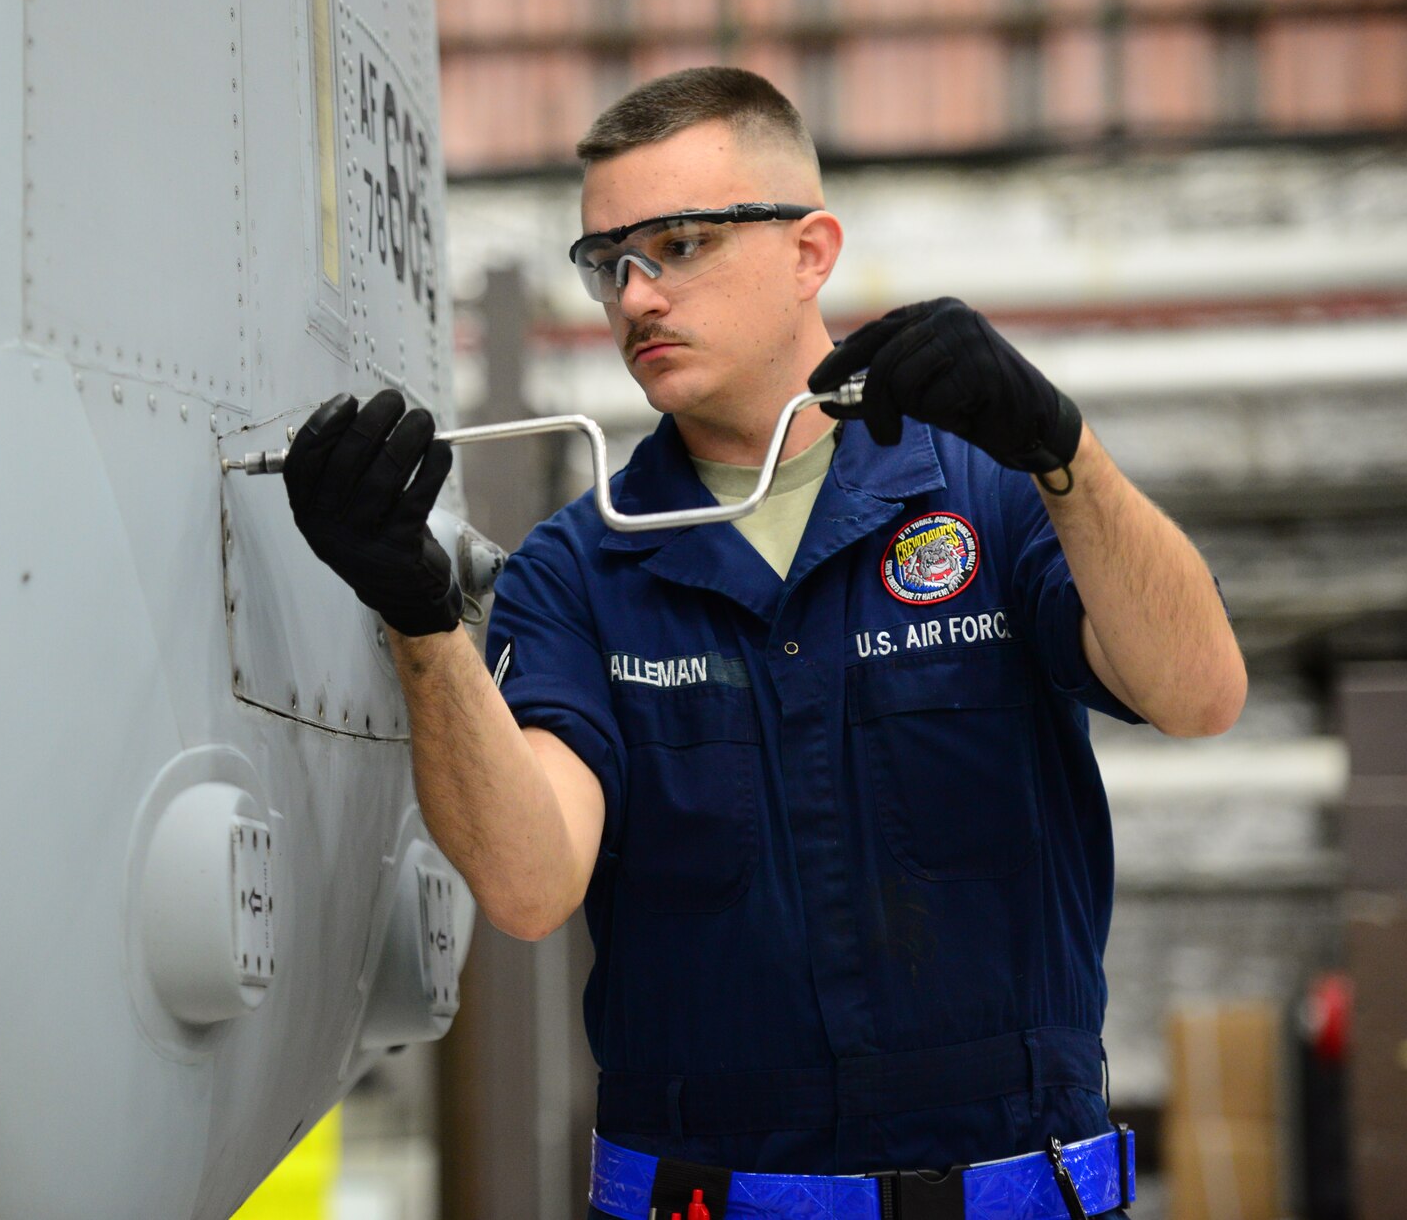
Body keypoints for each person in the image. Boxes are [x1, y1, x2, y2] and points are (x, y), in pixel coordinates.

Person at [282, 67, 1246, 1220]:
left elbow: (1197, 695)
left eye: (680, 244)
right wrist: (419, 621)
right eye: (607, 263)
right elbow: (529, 884)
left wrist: (1061, 452)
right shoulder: (581, 572)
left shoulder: (988, 498)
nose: (635, 296)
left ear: (810, 249)